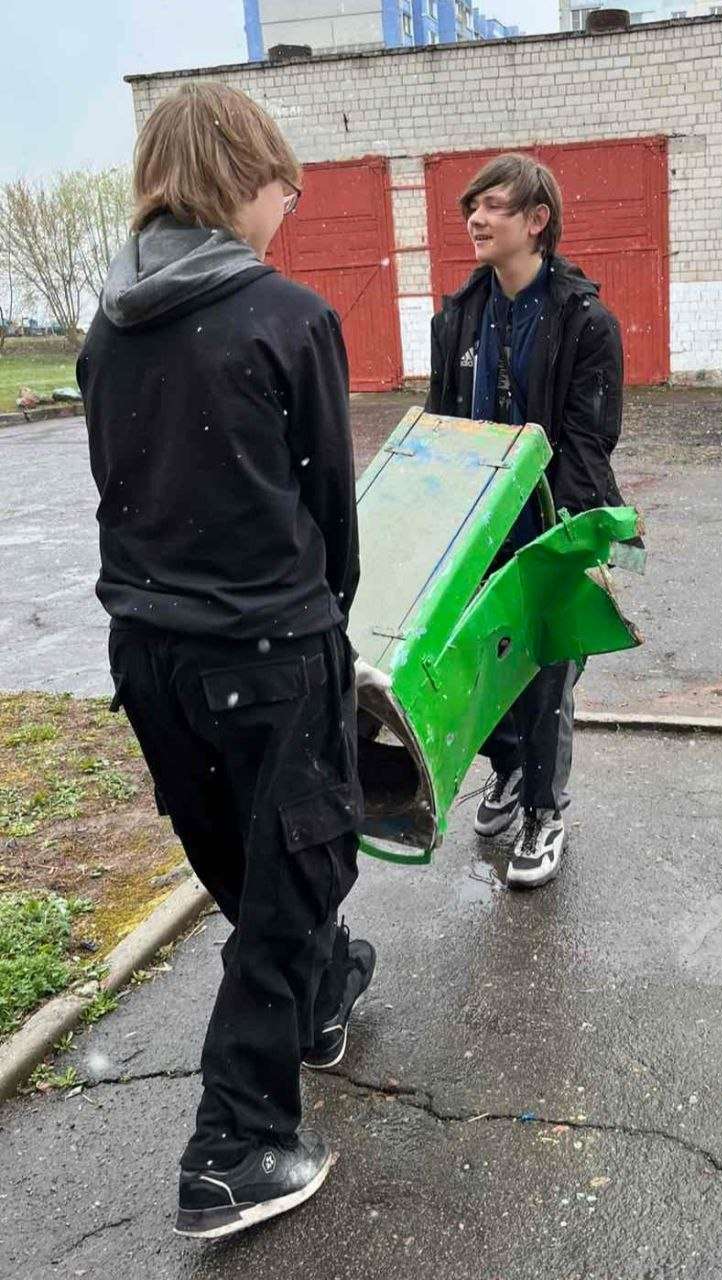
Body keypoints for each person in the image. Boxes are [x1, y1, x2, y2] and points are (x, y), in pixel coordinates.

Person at [78, 82, 376, 1240]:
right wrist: (327, 625)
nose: (285, 214)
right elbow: (329, 506)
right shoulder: (285, 315)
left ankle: (324, 992)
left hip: (150, 655)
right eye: (284, 191)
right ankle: (235, 1145)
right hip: (266, 646)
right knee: (298, 868)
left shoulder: (109, 325)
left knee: (256, 870)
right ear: (244, 180)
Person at [427, 153, 624, 890]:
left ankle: (545, 812)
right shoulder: (458, 316)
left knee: (545, 675)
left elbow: (589, 440)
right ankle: (509, 769)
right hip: (473, 527)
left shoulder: (584, 321)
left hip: (547, 524)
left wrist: (558, 541)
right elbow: (443, 425)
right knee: (480, 669)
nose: (476, 220)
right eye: (471, 208)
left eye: (494, 207)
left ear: (537, 220)